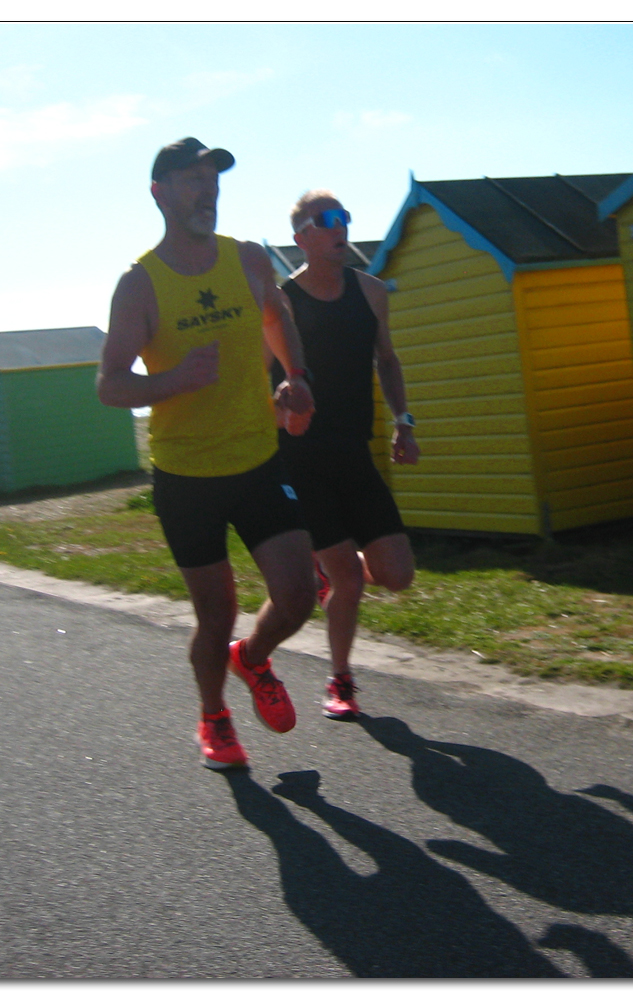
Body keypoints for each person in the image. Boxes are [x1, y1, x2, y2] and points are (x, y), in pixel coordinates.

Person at [98, 137, 317, 770]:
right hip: (186, 476)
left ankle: (251, 660)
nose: (208, 191)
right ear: (159, 193)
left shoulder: (247, 259)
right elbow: (110, 384)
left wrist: (296, 376)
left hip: (257, 460)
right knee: (214, 613)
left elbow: (277, 317)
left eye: (213, 180)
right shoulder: (139, 285)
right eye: (192, 180)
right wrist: (173, 380)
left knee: (299, 594)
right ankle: (214, 718)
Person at [271, 189, 419, 720]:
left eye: (345, 218)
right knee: (352, 583)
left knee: (397, 573)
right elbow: (268, 388)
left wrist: (404, 422)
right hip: (303, 458)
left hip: (356, 452)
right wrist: (283, 406)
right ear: (302, 237)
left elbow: (387, 360)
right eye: (327, 221)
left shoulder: (372, 292)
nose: (341, 228)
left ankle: (334, 573)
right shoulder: (283, 303)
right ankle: (341, 680)